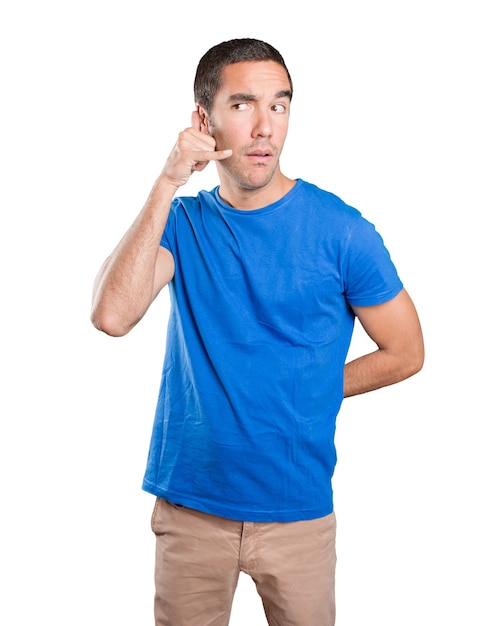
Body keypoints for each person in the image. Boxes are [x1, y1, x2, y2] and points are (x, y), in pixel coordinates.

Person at [91, 38, 424, 626]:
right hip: (191, 506)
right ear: (205, 118)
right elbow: (112, 316)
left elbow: (406, 351)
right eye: (243, 105)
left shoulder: (343, 231)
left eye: (280, 105)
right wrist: (168, 182)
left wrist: (313, 388)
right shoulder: (184, 225)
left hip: (297, 513)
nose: (265, 127)